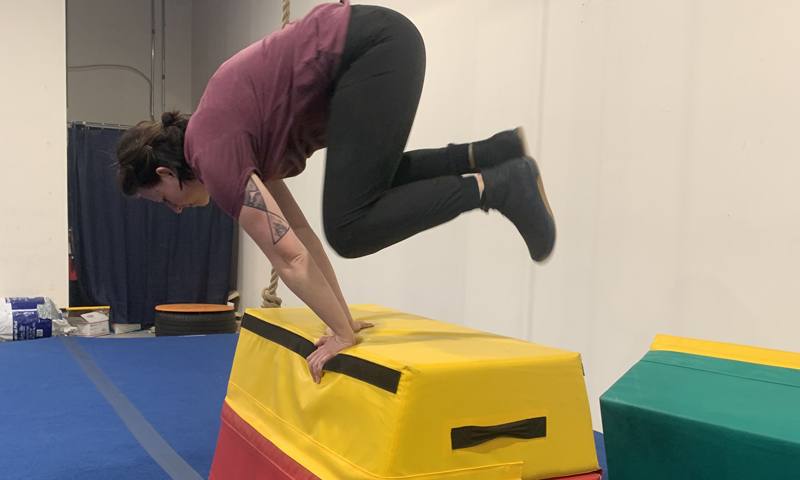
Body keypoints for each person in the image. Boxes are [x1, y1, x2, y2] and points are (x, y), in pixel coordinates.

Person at [115, 1, 555, 383]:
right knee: (362, 196)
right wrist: (342, 319)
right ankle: (490, 154)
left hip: (370, 49)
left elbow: (290, 259)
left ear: (165, 172)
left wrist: (341, 335)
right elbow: (300, 234)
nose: (175, 210)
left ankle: (498, 186)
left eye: (163, 199)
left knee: (349, 227)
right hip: (380, 43)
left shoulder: (213, 154)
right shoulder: (224, 138)